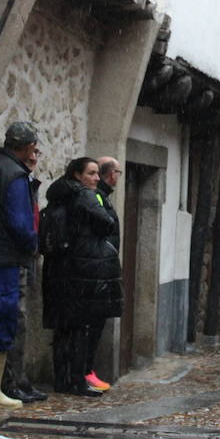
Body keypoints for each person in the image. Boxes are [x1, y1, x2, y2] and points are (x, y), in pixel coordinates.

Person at [42, 156, 122, 397]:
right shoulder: (85, 196)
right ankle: (76, 381)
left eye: (98, 173)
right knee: (79, 330)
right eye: (92, 173)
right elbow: (106, 223)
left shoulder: (60, 195)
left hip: (62, 271)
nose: (97, 178)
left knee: (66, 329)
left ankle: (65, 380)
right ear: (78, 175)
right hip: (80, 273)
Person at [0, 120, 41, 408]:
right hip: (6, 257)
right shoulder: (16, 176)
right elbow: (20, 223)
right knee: (5, 316)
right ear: (29, 147)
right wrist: (32, 246)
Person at [83, 155, 124, 393]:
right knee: (91, 326)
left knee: (93, 325)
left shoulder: (99, 197)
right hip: (95, 272)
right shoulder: (96, 198)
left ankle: (87, 371)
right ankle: (85, 372)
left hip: (97, 270)